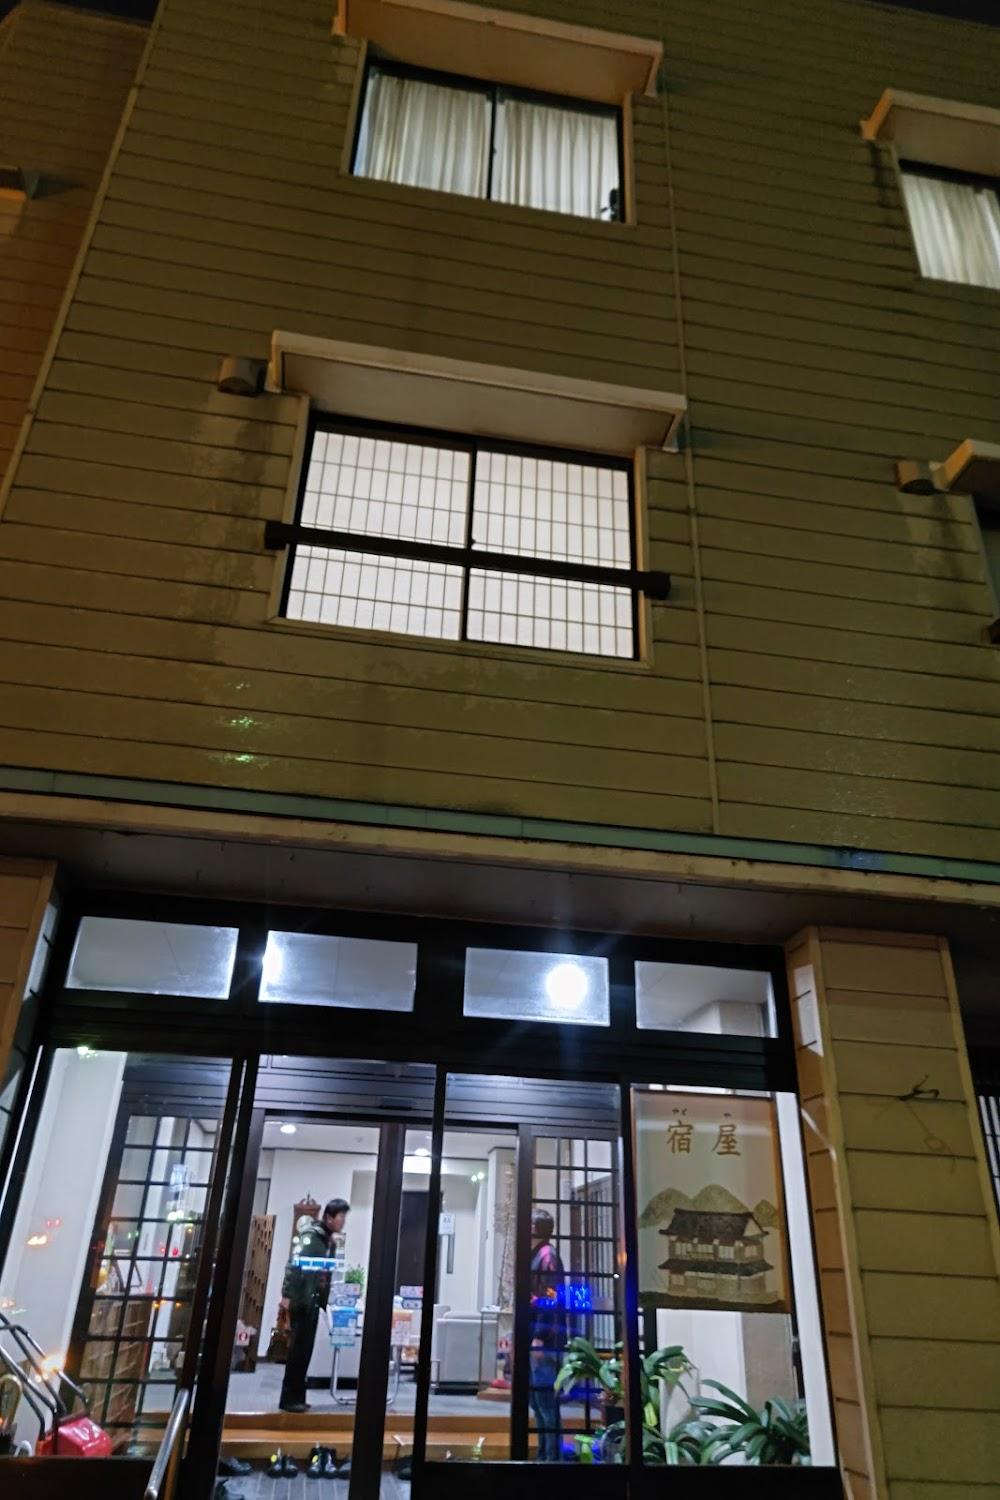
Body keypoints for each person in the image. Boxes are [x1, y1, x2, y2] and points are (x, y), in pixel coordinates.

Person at [278, 1197, 350, 1413]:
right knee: (298, 1352)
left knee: (305, 1351)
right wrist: (287, 1295)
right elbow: (294, 1265)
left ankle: (297, 1397)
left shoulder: (328, 1241)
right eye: (340, 1217)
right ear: (328, 1217)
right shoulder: (312, 1237)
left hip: (313, 1302)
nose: (343, 1221)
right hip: (302, 1300)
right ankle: (289, 1399)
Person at [528, 1208, 566, 1462]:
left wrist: (540, 1335)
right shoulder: (540, 1255)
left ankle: (551, 1458)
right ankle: (545, 1455)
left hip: (545, 1339)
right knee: (538, 1402)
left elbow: (550, 1297)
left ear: (534, 1228)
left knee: (545, 1402)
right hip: (537, 1335)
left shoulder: (546, 1256)